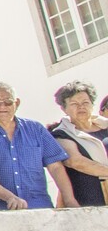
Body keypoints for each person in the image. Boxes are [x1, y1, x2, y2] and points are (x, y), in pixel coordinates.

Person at [0, 84, 73, 211]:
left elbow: (56, 167)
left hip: (40, 208)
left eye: (8, 102)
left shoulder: (36, 129)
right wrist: (9, 198)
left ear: (17, 103)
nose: (2, 107)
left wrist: (69, 200)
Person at [48, 81, 108, 209]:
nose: (81, 107)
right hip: (90, 202)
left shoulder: (105, 126)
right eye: (74, 104)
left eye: (85, 102)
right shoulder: (61, 134)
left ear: (92, 104)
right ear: (64, 109)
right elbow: (75, 162)